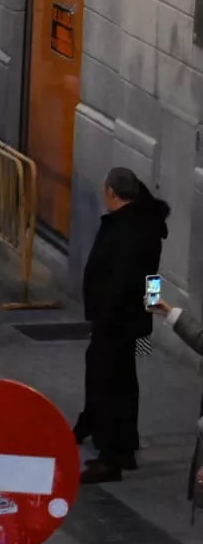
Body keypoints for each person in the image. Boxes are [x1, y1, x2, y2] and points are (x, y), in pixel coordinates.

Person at [73, 168, 170, 480]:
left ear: (111, 192)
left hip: (115, 319)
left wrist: (105, 315)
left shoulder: (127, 228)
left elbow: (123, 277)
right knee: (123, 380)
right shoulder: (146, 224)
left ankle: (111, 455)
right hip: (131, 319)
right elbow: (152, 273)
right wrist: (151, 305)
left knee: (109, 381)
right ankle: (122, 445)